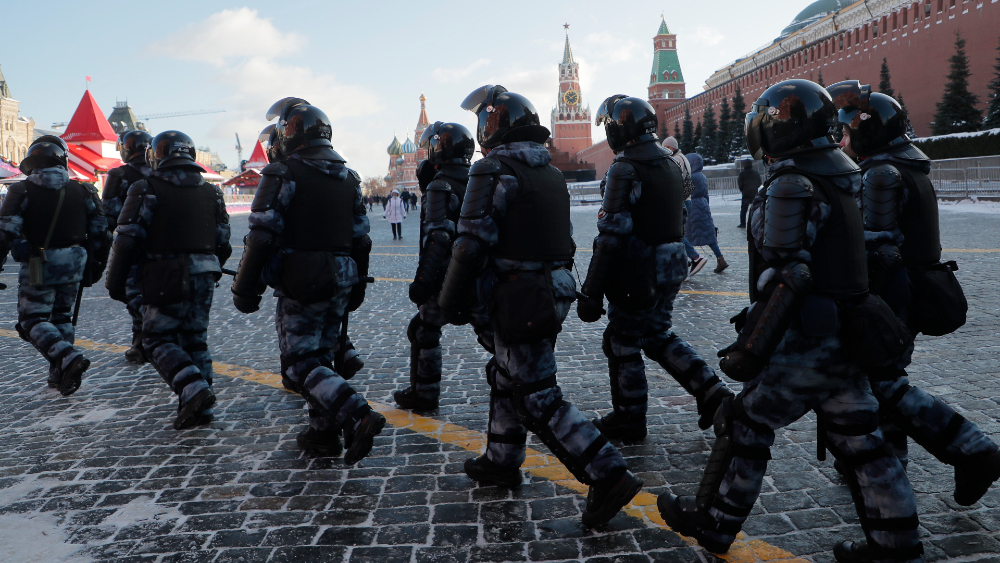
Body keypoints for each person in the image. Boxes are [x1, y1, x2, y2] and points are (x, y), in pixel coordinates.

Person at [657, 80, 925, 563]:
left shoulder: (790, 182)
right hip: (846, 329)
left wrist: (753, 347)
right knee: (864, 442)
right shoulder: (842, 173)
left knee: (744, 422)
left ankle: (714, 524)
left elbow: (789, 273)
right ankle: (897, 542)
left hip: (806, 338)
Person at [439, 84, 642, 527]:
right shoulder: (548, 171)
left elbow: (469, 245)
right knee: (506, 374)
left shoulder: (492, 169)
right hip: (552, 288)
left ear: (494, 126)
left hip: (518, 294)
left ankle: (607, 474)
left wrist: (447, 303)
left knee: (535, 394)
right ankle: (501, 456)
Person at [829, 80, 1000, 506]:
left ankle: (973, 450)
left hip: (894, 291)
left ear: (868, 131)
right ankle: (887, 457)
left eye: (847, 132)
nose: (843, 140)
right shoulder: (905, 166)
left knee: (885, 383)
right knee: (880, 379)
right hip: (911, 285)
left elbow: (877, 245)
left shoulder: (882, 173)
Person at [231, 98, 384, 465]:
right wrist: (358, 286)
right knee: (325, 358)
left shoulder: (283, 173)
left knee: (299, 363)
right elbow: (362, 238)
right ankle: (322, 432)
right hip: (340, 280)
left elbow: (262, 235)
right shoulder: (349, 177)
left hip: (301, 281)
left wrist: (244, 286)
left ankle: (355, 413)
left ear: (290, 134)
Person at [577, 96, 734, 442]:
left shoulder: (624, 168)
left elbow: (610, 237)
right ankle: (711, 391)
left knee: (622, 341)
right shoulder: (671, 162)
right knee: (658, 334)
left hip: (639, 267)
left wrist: (590, 291)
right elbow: (680, 213)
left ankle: (629, 419)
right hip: (673, 261)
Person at [106, 131, 231, 430]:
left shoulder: (146, 187)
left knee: (156, 339)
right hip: (205, 272)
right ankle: (200, 409)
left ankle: (194, 390)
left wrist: (116, 281)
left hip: (164, 273)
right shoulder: (212, 191)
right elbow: (223, 242)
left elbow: (127, 239)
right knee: (195, 340)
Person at [394, 121, 494, 411]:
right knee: (494, 337)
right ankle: (526, 382)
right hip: (483, 277)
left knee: (425, 329)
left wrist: (423, 282)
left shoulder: (440, 186)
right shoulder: (481, 179)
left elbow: (437, 239)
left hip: (448, 280)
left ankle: (425, 393)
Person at [0, 140, 108, 396]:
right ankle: (59, 373)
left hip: (40, 260)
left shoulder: (21, 191)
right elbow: (102, 233)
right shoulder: (85, 191)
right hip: (74, 261)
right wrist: (95, 267)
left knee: (32, 320)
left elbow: (5, 232)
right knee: (61, 316)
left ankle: (67, 358)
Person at [103, 130, 154, 363]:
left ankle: (142, 342)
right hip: (164, 246)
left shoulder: (119, 174)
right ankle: (147, 340)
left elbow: (109, 215)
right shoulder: (162, 172)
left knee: (131, 294)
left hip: (132, 245)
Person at [662, 137, 706, 276]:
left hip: (681, 200)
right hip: (685, 200)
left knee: (675, 234)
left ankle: (695, 258)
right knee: (676, 233)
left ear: (671, 148)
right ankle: (684, 263)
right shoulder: (682, 157)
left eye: (665, 147)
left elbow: (674, 180)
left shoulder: (677, 159)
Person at [685, 153, 728, 274]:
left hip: (692, 207)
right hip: (703, 206)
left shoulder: (691, 177)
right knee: (708, 235)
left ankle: (688, 260)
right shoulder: (702, 176)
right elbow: (706, 195)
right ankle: (720, 259)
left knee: (685, 235)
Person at [737, 159, 761, 228]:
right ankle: (756, 222)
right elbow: (759, 183)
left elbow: (740, 184)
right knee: (756, 209)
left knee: (744, 210)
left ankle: (743, 223)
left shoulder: (742, 174)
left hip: (746, 193)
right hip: (754, 193)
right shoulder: (756, 173)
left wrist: (743, 190)